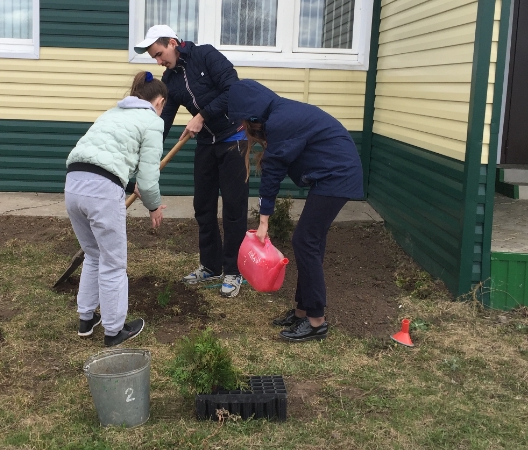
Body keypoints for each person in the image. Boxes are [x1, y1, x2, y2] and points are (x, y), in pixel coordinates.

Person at [228, 79, 364, 342]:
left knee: (305, 241)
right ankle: (302, 311)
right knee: (309, 242)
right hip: (331, 176)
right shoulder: (279, 112)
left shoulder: (281, 120)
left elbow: (273, 172)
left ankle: (316, 322)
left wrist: (264, 220)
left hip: (337, 177)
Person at [134, 25, 249, 298]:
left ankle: (233, 271)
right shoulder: (170, 80)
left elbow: (233, 88)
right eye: (155, 58)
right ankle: (210, 265)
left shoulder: (206, 56)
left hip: (234, 137)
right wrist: (146, 159)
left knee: (234, 207)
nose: (159, 61)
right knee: (203, 206)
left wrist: (202, 115)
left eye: (160, 54)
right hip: (206, 143)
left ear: (173, 42)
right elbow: (162, 122)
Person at [65, 71, 168, 347]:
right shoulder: (152, 121)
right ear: (159, 102)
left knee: (93, 254)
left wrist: (130, 179)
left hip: (73, 183)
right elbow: (147, 180)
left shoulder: (112, 112)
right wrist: (154, 206)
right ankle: (114, 331)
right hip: (102, 190)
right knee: (113, 262)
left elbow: (112, 154)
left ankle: (86, 319)